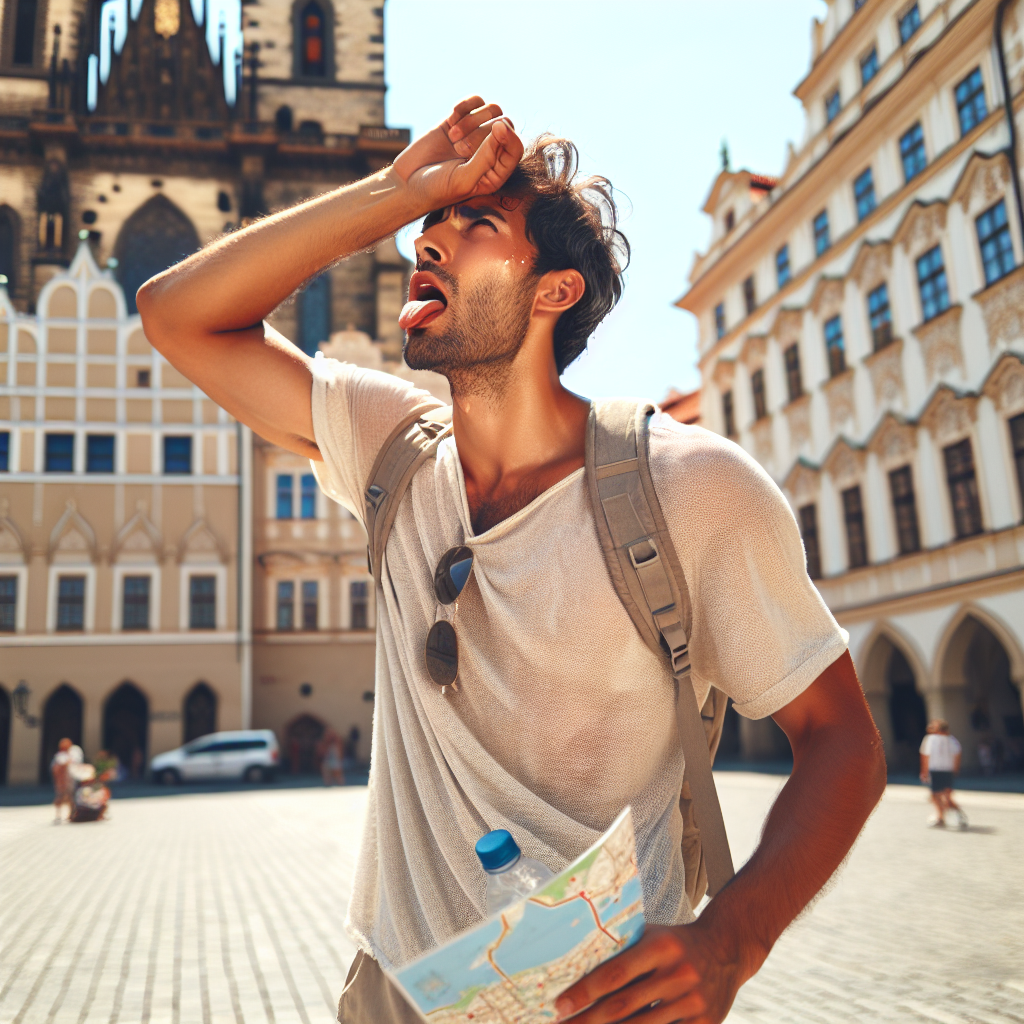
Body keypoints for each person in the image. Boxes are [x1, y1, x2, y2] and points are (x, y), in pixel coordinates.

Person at [138, 97, 887, 1024]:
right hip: (393, 995)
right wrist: (396, 190)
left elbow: (843, 740)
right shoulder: (392, 446)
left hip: (596, 999)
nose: (429, 243)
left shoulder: (690, 486)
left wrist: (734, 938)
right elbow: (176, 316)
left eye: (476, 225)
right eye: (427, 232)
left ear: (553, 291)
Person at [919, 719, 968, 830]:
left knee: (938, 796)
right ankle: (949, 816)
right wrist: (955, 770)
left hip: (937, 770)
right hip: (946, 771)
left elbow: (925, 756)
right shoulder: (952, 740)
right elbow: (957, 756)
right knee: (942, 796)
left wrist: (924, 771)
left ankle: (944, 817)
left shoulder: (930, 739)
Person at [50, 737, 75, 823]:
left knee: (71, 797)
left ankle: (71, 814)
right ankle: (58, 815)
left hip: (70, 780)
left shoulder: (73, 754)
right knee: (60, 797)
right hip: (61, 781)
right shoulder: (59, 756)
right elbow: (55, 768)